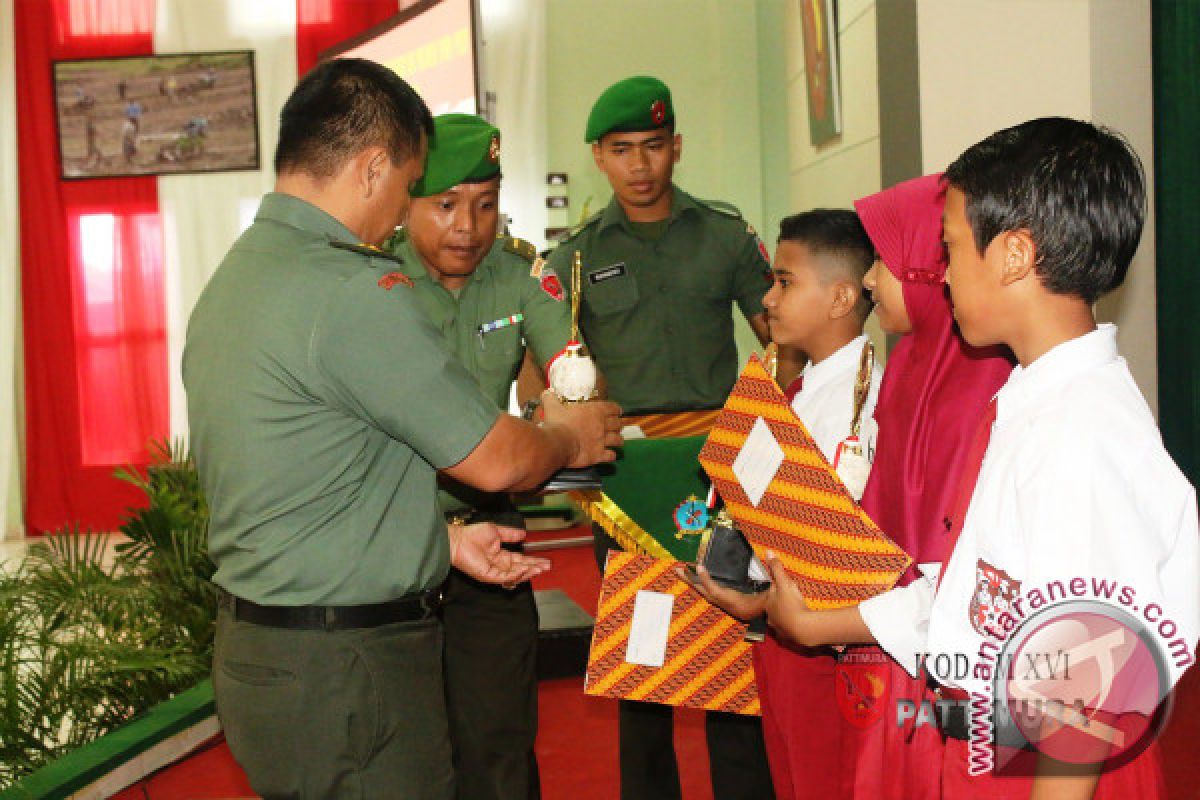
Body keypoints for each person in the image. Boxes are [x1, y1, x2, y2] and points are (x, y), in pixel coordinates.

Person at [690, 119, 1199, 798]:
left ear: (1013, 256)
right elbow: (978, 594)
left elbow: (1081, 701)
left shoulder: (1079, 432)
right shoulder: (1035, 400)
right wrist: (819, 622)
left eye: (952, 248)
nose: (941, 273)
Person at [183, 59, 622, 800]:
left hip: (263, 652)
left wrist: (444, 541)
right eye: (409, 188)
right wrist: (570, 440)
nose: (398, 213)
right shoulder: (350, 289)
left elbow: (311, 482)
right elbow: (490, 459)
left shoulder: (235, 280)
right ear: (373, 166)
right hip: (351, 668)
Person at [547, 74, 775, 800]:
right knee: (642, 661)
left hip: (719, 468)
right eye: (622, 150)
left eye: (653, 147)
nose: (640, 166)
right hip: (631, 474)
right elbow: (553, 371)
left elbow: (783, 335)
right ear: (598, 157)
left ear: (676, 147)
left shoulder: (725, 236)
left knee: (734, 651)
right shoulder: (573, 260)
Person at [381, 113, 572, 800]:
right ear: (407, 203)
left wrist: (565, 407)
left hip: (492, 537)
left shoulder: (521, 276)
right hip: (394, 538)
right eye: (447, 205)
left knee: (499, 744)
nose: (468, 225)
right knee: (404, 750)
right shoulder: (372, 281)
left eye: (485, 204)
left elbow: (574, 379)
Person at [753, 210, 883, 800]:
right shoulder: (803, 389)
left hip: (824, 641)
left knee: (825, 781)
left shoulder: (861, 404)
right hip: (781, 627)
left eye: (785, 281)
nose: (768, 298)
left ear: (840, 298)